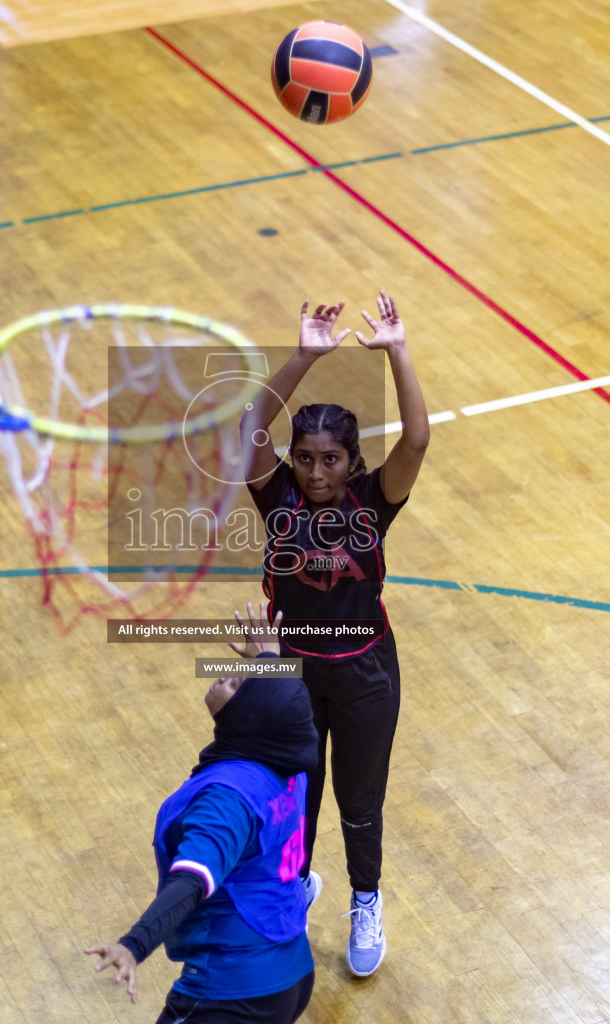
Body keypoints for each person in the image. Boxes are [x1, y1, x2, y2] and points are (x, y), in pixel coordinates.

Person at [239, 290, 430, 977]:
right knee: (292, 803)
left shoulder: (375, 503)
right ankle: (291, 892)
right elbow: (247, 433)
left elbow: (415, 439)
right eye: (306, 459)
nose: (316, 472)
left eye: (330, 460)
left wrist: (398, 351)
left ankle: (366, 899)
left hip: (365, 672)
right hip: (290, 672)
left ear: (353, 463)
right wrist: (302, 358)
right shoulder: (277, 498)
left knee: (359, 802)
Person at [85, 603, 319, 1023]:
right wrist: (269, 662)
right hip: (289, 973)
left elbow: (191, 882)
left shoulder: (228, 801)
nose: (229, 675)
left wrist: (134, 945)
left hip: (230, 995)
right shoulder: (288, 768)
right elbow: (286, 713)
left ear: (253, 718)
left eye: (244, 685)